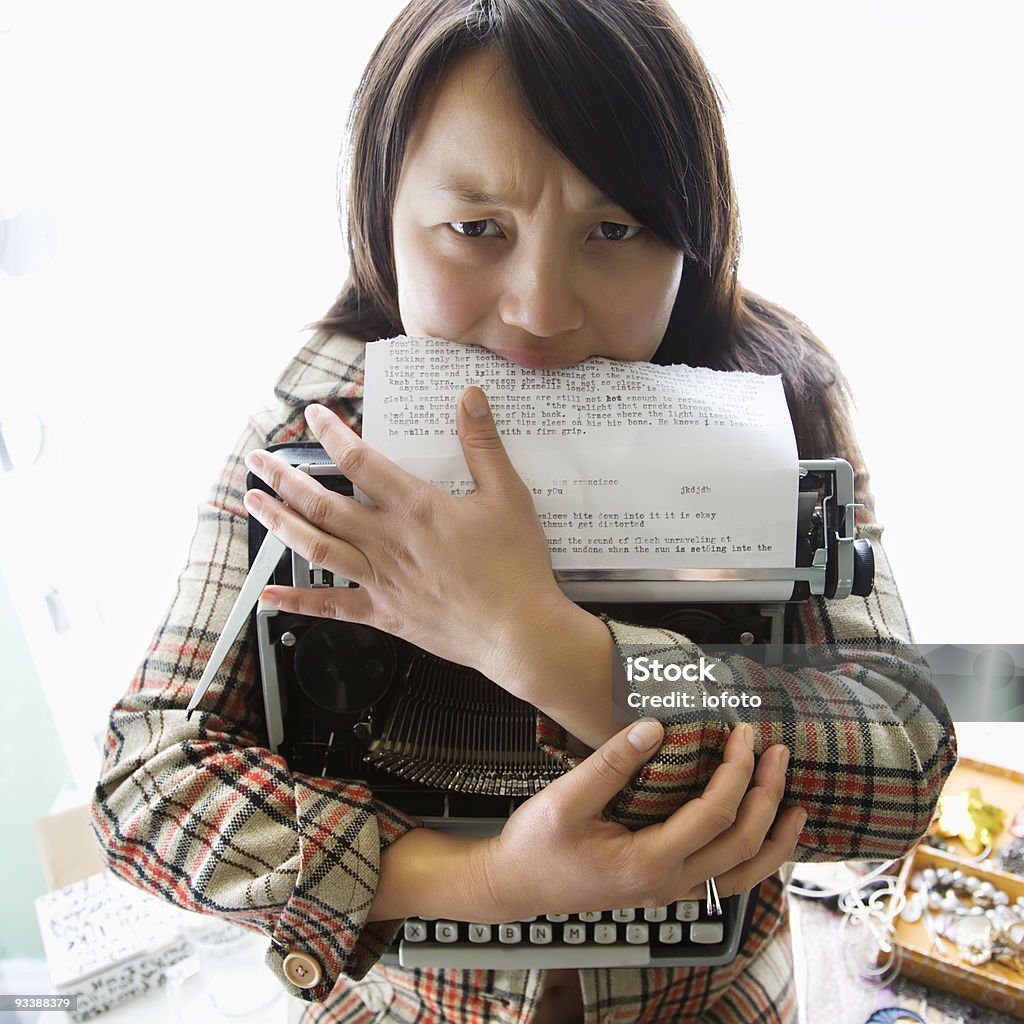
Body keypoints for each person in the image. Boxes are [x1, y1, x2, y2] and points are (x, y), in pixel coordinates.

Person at [91, 2, 957, 1021]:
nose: (542, 308)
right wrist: (490, 878)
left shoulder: (772, 398)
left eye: (614, 228)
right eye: (475, 229)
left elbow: (901, 756)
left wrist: (546, 646)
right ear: (381, 216)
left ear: (691, 227)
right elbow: (145, 786)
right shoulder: (318, 418)